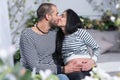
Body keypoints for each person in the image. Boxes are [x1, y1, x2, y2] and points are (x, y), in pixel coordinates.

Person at [19, 3, 69, 80]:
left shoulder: (54, 33)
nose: (59, 17)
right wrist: (62, 69)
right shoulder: (27, 35)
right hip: (33, 74)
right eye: (56, 14)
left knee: (65, 77)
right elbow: (34, 66)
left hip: (52, 73)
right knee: (62, 77)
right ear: (48, 16)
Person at [54, 9, 101, 80]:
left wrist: (92, 61)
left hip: (88, 68)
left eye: (62, 16)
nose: (59, 17)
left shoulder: (80, 32)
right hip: (73, 72)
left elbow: (97, 48)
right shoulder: (58, 37)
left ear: (70, 20)